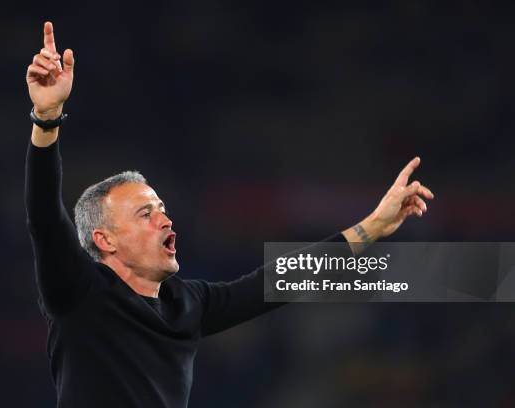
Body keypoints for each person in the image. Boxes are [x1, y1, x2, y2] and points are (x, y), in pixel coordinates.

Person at [25, 21, 434, 408]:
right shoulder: (79, 293)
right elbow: (45, 218)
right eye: (145, 213)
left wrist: (374, 226)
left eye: (163, 210)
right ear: (105, 239)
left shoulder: (186, 303)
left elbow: (280, 279)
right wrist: (46, 119)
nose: (165, 220)